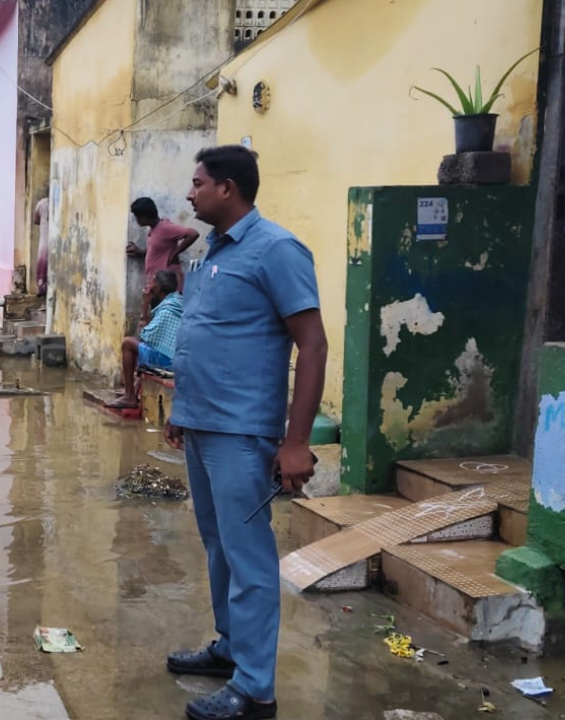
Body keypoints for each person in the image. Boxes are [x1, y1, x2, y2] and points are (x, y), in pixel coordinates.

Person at [164, 146, 327, 720]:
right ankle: (233, 649)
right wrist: (181, 409)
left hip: (243, 432)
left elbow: (312, 344)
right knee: (218, 547)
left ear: (227, 189)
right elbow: (205, 336)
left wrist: (296, 441)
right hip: (203, 424)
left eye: (198, 183)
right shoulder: (211, 252)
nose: (190, 193)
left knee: (250, 558)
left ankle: (256, 689)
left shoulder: (276, 250)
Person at [107, 269, 182, 409]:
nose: (148, 287)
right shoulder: (176, 302)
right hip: (178, 358)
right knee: (141, 347)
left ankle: (129, 397)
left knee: (128, 344)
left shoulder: (167, 310)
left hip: (169, 362)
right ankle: (133, 390)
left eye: (152, 283)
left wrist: (144, 305)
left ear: (158, 288)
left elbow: (146, 336)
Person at [126, 197, 200, 292]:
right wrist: (140, 251)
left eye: (137, 217)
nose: (136, 220)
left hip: (168, 286)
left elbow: (193, 234)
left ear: (144, 217)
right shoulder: (154, 229)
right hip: (158, 285)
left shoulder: (165, 228)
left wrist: (174, 254)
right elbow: (157, 250)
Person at [34, 196, 50, 296]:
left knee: (42, 264)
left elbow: (35, 221)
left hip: (44, 241)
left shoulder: (41, 203)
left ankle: (41, 287)